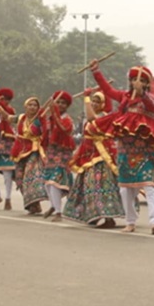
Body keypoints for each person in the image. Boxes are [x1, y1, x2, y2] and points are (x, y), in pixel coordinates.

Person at [90, 61, 154, 234]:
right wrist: (96, 72)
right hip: (125, 152)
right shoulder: (124, 97)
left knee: (150, 186)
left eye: (139, 80)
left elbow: (152, 107)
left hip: (143, 154)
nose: (136, 83)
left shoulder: (151, 99)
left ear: (147, 84)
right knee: (126, 190)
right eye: (133, 80)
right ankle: (130, 222)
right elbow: (108, 91)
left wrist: (142, 94)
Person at [63, 91, 125, 228]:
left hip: (102, 158)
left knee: (101, 187)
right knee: (87, 187)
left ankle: (109, 218)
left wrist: (85, 98)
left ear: (103, 104)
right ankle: (93, 214)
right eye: (93, 101)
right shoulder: (88, 121)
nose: (94, 104)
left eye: (97, 102)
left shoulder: (103, 117)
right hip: (89, 157)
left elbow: (91, 117)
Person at [40, 91, 76, 221]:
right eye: (58, 102)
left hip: (63, 153)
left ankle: (58, 213)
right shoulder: (50, 118)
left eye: (63, 103)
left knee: (54, 182)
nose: (60, 105)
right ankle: (54, 206)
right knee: (47, 183)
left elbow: (63, 129)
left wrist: (54, 113)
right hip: (50, 153)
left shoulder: (67, 119)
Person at [11, 97, 47, 215]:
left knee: (30, 177)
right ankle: (33, 205)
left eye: (35, 105)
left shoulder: (40, 120)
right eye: (30, 105)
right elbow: (7, 117)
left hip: (34, 151)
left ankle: (35, 202)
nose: (32, 107)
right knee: (20, 179)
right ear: (25, 106)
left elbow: (47, 133)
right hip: (20, 151)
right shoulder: (21, 118)